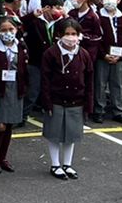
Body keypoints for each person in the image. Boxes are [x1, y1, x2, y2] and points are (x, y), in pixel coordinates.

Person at [38, 19, 91, 180]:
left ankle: (67, 164)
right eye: (67, 34)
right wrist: (46, 101)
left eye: (74, 34)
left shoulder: (83, 54)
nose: (70, 37)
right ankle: (55, 164)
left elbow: (89, 79)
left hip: (76, 100)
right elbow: (45, 79)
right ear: (59, 35)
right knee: (55, 134)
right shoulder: (51, 53)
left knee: (71, 135)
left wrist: (88, 103)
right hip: (56, 100)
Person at [0, 15, 27, 173]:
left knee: (9, 125)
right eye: (3, 30)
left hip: (15, 88)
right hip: (0, 89)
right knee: (0, 125)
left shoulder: (20, 45)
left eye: (11, 29)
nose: (8, 33)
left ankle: (3, 157)